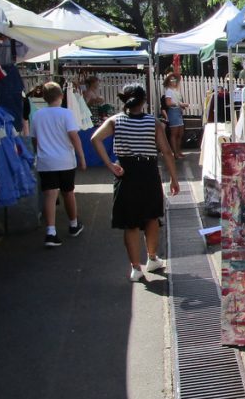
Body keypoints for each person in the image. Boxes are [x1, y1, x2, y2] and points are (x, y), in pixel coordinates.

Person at [91, 84, 180, 282]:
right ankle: (152, 258)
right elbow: (166, 151)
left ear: (125, 100)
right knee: (151, 216)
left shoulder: (115, 121)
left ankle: (135, 268)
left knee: (130, 222)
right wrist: (174, 179)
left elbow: (95, 139)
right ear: (144, 100)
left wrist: (109, 165)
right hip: (148, 172)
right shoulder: (153, 122)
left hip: (125, 171)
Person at [30, 81, 87, 248]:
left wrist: (39, 152)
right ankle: (73, 224)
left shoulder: (38, 115)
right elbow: (74, 136)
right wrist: (81, 156)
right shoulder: (66, 114)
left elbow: (34, 139)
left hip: (45, 160)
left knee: (50, 194)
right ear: (61, 96)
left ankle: (51, 231)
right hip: (65, 160)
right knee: (68, 192)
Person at [162, 74, 188, 160]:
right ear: (169, 82)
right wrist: (179, 104)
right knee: (174, 134)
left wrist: (182, 105)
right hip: (173, 112)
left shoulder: (175, 91)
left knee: (180, 133)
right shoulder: (169, 91)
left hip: (178, 112)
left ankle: (178, 151)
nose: (174, 82)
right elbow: (168, 103)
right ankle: (175, 153)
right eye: (172, 80)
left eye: (175, 80)